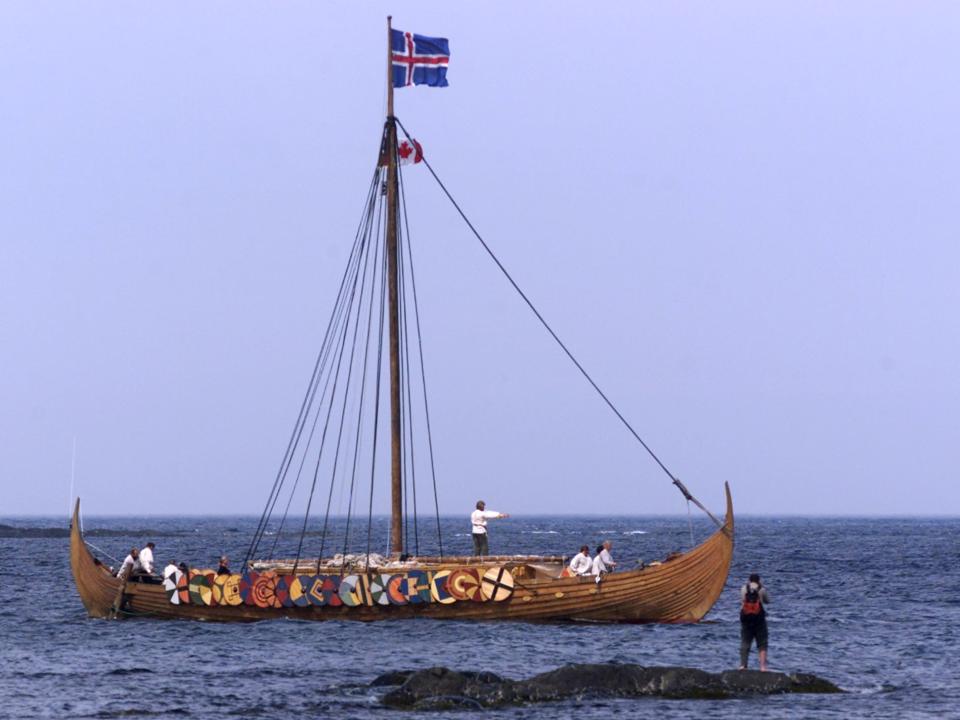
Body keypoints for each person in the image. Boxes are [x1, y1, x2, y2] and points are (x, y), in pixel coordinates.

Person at [739, 573, 771, 671]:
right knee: (762, 643)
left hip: (746, 618)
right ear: (758, 580)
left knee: (745, 642)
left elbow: (742, 600)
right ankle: (762, 667)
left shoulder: (743, 588)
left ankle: (743, 665)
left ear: (749, 580)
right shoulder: (762, 589)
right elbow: (767, 601)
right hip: (759, 619)